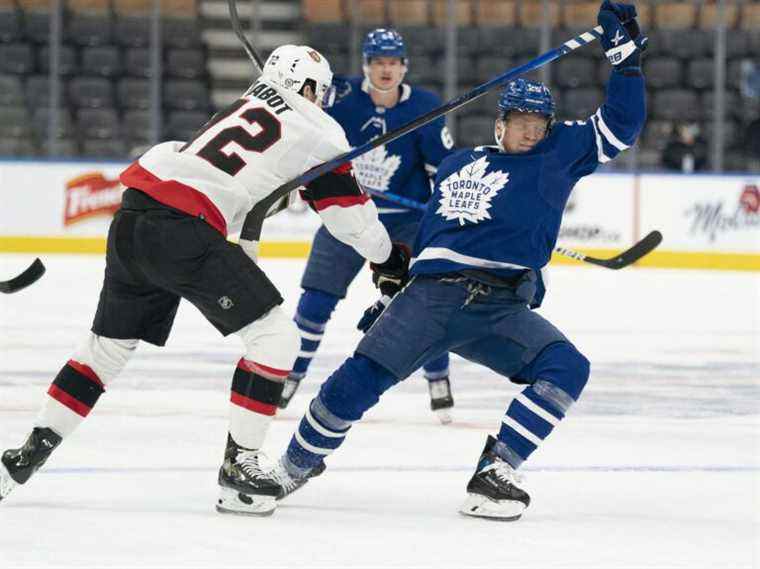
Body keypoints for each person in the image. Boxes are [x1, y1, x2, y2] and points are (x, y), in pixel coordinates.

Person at [268, 1, 647, 521]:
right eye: (521, 121)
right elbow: (429, 242)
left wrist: (625, 63)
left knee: (566, 368)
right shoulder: (456, 164)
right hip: (431, 295)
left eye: (540, 122)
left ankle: (497, 470)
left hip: (496, 307)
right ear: (501, 123)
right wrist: (394, 298)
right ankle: (293, 464)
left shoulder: (558, 154)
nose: (531, 131)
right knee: (361, 378)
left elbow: (622, 124)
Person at [0, 45, 409, 517]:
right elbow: (349, 217)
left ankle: (21, 459)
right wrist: (387, 257)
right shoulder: (319, 129)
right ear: (312, 88)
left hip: (134, 217)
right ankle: (241, 472)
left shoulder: (240, 105)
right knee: (274, 339)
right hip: (183, 229)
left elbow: (237, 185)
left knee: (105, 350)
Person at [281, 28, 458, 423]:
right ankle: (289, 375)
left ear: (404, 67)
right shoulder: (340, 96)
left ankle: (438, 377)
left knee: (421, 304)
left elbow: (443, 174)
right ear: (366, 65)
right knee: (315, 302)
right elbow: (301, 104)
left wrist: (441, 217)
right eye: (378, 62)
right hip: (347, 214)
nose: (386, 70)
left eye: (393, 62)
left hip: (405, 224)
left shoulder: (425, 108)